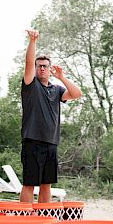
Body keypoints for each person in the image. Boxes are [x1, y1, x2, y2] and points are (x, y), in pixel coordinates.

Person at [20, 29, 82, 203]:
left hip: (51, 142)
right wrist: (33, 40)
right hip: (32, 141)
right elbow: (28, 64)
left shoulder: (57, 89)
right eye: (39, 65)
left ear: (49, 69)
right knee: (29, 184)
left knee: (46, 184)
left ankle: (42, 219)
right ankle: (25, 221)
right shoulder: (30, 85)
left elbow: (76, 94)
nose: (41, 68)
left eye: (45, 66)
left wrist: (61, 77)